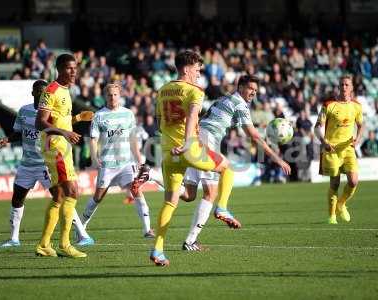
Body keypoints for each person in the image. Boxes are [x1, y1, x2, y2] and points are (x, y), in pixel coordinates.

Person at [180, 75, 291, 251]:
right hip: (206, 141)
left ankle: (151, 177)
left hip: (197, 138)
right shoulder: (240, 103)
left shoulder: (224, 98)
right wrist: (277, 159)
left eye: (255, 90)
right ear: (240, 87)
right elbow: (253, 136)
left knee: (188, 194)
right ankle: (215, 215)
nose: (253, 92)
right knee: (217, 184)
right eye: (250, 88)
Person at [150, 50, 235, 266]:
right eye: (197, 69)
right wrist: (188, 143)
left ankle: (158, 250)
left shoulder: (162, 90)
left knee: (170, 202)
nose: (199, 72)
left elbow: (159, 122)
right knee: (227, 167)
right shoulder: (195, 91)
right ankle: (222, 207)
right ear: (186, 69)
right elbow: (192, 117)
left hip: (168, 153)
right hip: (190, 150)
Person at [76, 82, 154, 239]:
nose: (112, 97)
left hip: (126, 163)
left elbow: (133, 139)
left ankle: (147, 230)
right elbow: (93, 140)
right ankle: (81, 228)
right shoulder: (99, 115)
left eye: (115, 94)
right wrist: (94, 158)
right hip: (108, 164)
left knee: (136, 190)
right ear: (106, 96)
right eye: (110, 95)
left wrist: (139, 160)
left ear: (120, 96)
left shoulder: (128, 114)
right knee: (97, 198)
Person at [35, 53, 94, 258]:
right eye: (69, 68)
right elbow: (40, 122)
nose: (74, 71)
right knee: (73, 192)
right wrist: (65, 133)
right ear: (59, 69)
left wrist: (77, 118)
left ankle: (44, 244)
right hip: (55, 147)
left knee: (60, 196)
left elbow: (59, 120)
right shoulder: (51, 90)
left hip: (63, 146)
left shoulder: (66, 91)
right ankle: (65, 244)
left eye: (75, 67)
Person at [0, 80, 55, 247]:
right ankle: (14, 239)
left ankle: (82, 234)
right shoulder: (24, 110)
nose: (41, 94)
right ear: (33, 93)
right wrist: (7, 139)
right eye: (38, 91)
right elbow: (19, 133)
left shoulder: (51, 113)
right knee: (17, 199)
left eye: (44, 92)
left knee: (61, 198)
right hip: (27, 165)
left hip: (45, 164)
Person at [314, 75, 364, 225]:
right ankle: (331, 217)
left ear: (352, 88)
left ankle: (341, 204)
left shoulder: (356, 106)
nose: (344, 87)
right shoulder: (329, 104)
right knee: (334, 183)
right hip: (331, 148)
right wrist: (324, 141)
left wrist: (358, 139)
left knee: (353, 181)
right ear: (338, 87)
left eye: (347, 85)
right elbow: (317, 127)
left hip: (348, 148)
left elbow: (361, 125)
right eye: (341, 85)